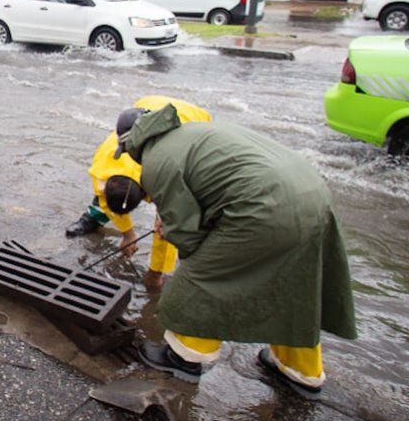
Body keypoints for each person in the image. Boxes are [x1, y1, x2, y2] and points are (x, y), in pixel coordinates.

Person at [115, 104, 357, 398]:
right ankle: (302, 372)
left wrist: (186, 249)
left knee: (199, 278)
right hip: (313, 194)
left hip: (266, 208)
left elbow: (188, 237)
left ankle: (186, 357)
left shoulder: (156, 160)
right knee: (294, 285)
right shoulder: (191, 131)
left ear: (132, 144)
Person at [65, 96, 213, 291]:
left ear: (146, 192)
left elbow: (166, 230)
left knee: (173, 220)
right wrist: (128, 235)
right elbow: (104, 198)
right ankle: (92, 217)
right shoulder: (104, 162)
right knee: (110, 200)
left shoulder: (163, 173)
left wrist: (155, 273)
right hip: (147, 106)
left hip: (190, 117)